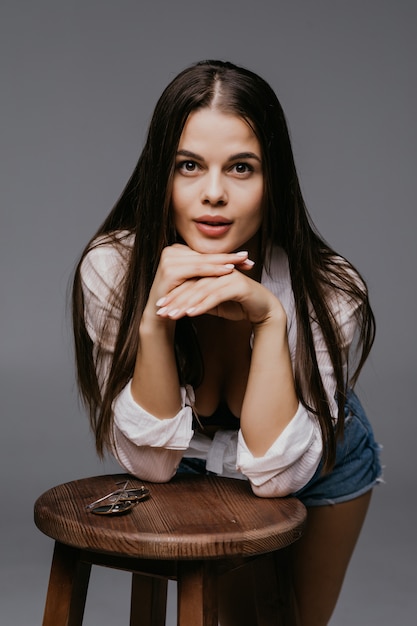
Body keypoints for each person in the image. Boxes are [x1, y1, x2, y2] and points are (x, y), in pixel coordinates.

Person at [72, 60, 382, 625]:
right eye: (188, 166)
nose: (213, 193)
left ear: (274, 181)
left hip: (318, 460)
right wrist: (154, 320)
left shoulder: (330, 291)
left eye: (241, 167)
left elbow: (279, 475)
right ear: (160, 176)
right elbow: (150, 462)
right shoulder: (114, 268)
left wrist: (269, 322)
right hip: (188, 465)